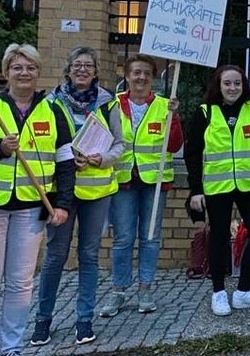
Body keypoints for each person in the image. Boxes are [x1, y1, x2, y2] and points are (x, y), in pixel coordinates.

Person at [0, 43, 75, 356]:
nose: (24, 73)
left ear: (38, 72)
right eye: (17, 67)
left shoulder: (53, 110)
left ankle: (12, 346)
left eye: (30, 67)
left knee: (21, 282)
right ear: (7, 72)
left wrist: (63, 204)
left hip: (30, 208)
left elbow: (65, 161)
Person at [32, 47, 124, 346]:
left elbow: (121, 146)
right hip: (61, 192)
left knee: (88, 255)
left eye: (88, 66)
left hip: (96, 190)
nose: (82, 70)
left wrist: (99, 159)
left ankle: (84, 319)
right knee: (55, 256)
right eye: (77, 65)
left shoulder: (109, 103)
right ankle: (43, 320)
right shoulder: (50, 102)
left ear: (96, 72)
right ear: (68, 69)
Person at [185, 64, 250, 316]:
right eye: (227, 83)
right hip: (217, 186)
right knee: (217, 238)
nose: (232, 88)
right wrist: (196, 190)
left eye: (237, 83)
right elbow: (192, 153)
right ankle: (218, 293)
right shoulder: (205, 112)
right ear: (219, 85)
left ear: (244, 85)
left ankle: (243, 292)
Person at [99, 54, 182, 317]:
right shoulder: (112, 106)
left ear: (153, 78)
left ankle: (145, 289)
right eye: (136, 72)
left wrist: (175, 118)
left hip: (154, 182)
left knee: (150, 238)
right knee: (123, 239)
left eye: (147, 73)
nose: (141, 77)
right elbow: (103, 140)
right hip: (123, 181)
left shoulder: (164, 106)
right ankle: (119, 291)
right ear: (127, 76)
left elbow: (174, 145)